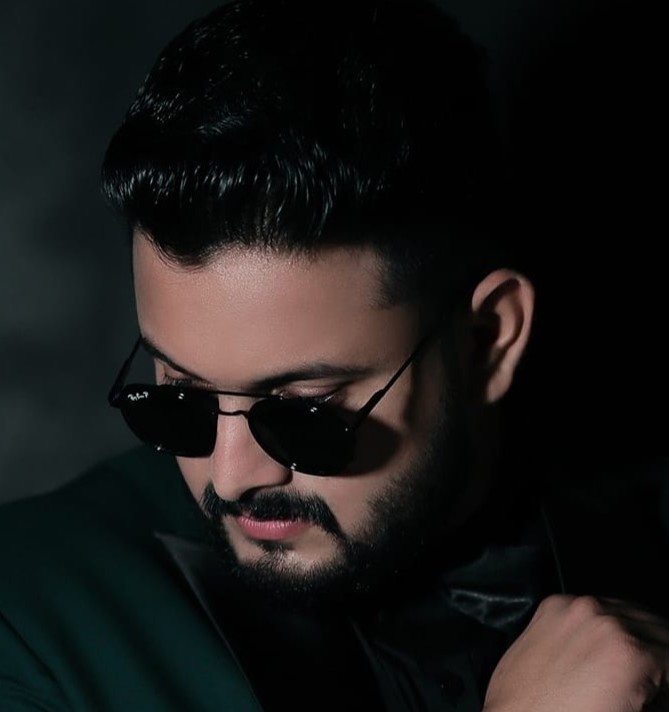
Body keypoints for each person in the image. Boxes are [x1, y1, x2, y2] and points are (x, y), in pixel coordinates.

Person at [1, 0, 667, 710]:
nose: (230, 475)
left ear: (487, 340)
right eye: (181, 399)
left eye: (303, 411)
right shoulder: (29, 617)